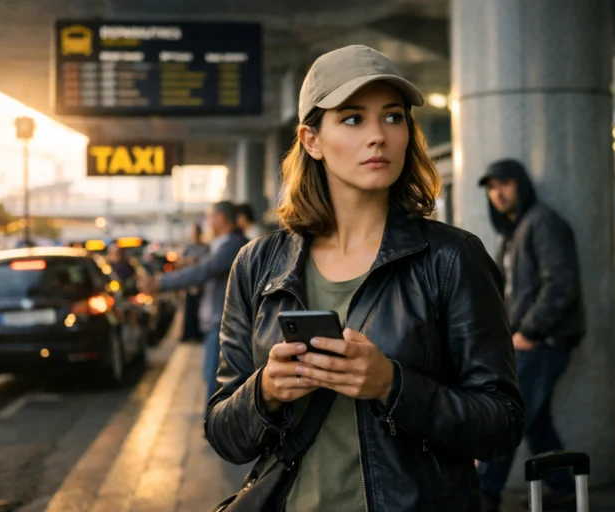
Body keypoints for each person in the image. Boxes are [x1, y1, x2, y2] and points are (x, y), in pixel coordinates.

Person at [205, 45, 524, 512]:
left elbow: (502, 424)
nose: (378, 135)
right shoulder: (258, 264)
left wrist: (392, 385)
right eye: (353, 118)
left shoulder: (453, 258)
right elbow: (224, 434)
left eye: (393, 117)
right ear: (311, 139)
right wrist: (266, 390)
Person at [476, 159, 586, 511]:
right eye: (492, 187)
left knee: (509, 416)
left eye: (505, 183)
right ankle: (564, 486)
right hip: (527, 342)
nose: (498, 193)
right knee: (535, 419)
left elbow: (561, 285)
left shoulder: (543, 223)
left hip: (543, 342)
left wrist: (529, 331)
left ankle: (483, 494)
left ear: (521, 185)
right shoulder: (516, 230)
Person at [138, 201, 248, 406]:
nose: (208, 222)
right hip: (216, 323)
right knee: (212, 377)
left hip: (225, 324)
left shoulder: (232, 245)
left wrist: (160, 282)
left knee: (217, 383)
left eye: (210, 217)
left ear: (221, 218)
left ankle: (217, 431)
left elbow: (204, 271)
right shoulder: (219, 244)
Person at [181, 223, 210, 342]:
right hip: (190, 283)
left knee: (200, 309)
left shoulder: (206, 247)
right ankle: (189, 333)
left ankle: (199, 333)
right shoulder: (188, 247)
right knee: (189, 309)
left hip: (202, 284)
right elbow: (181, 263)